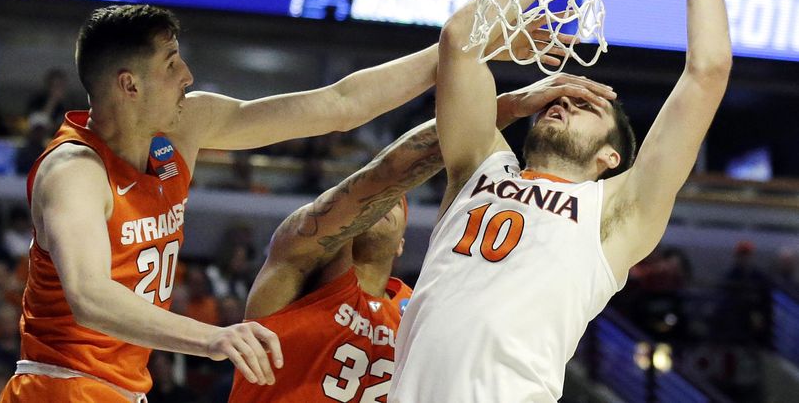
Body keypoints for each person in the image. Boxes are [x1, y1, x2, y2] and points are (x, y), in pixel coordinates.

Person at [390, 0, 732, 401]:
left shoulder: (618, 212)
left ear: (609, 158)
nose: (566, 101)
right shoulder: (481, 164)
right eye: (565, 95)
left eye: (586, 107)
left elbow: (707, 72)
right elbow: (461, 37)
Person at [0, 3, 442, 402]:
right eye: (171, 64)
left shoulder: (184, 128)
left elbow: (339, 105)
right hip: (58, 386)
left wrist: (457, 51)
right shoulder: (74, 171)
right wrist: (213, 338)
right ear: (129, 84)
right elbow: (89, 295)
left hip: (121, 389)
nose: (187, 75)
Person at [228, 75, 615, 402]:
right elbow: (387, 172)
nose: (386, 202)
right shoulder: (301, 265)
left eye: (397, 202)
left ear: (404, 245)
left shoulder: (423, 310)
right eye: (375, 201)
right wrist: (505, 107)